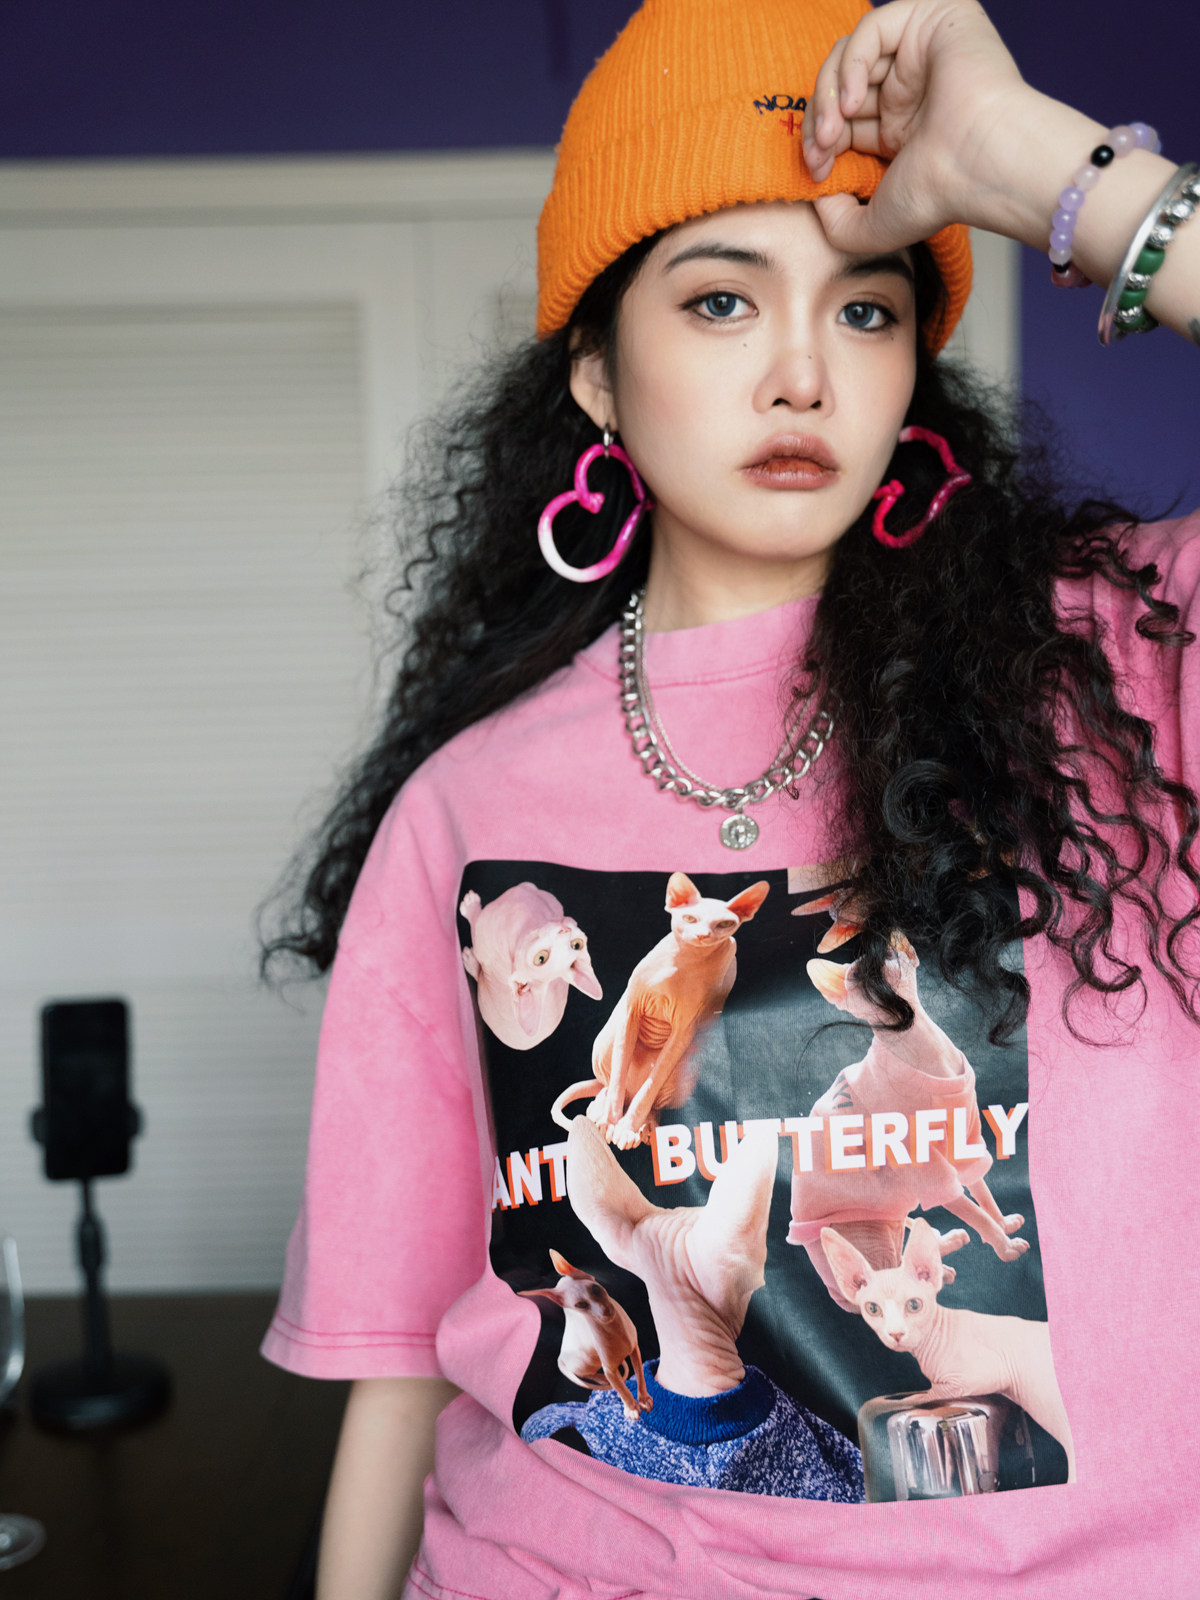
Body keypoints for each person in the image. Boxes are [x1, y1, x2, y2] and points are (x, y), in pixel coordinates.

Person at [259, 0, 1200, 1595]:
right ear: (597, 375)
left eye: (867, 310)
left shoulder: (1126, 672)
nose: (801, 374)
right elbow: (400, 1358)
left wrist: (1047, 168)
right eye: (718, 300)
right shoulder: (468, 806)